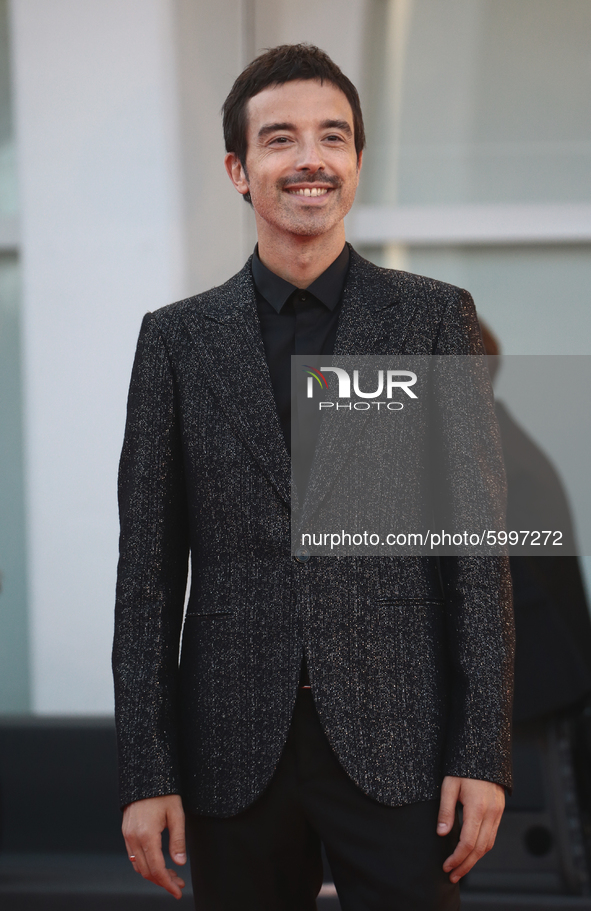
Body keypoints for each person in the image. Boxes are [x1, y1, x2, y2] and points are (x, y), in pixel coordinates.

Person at [113, 44, 514, 910]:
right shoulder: (175, 342)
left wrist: (480, 752)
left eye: (332, 138)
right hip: (229, 747)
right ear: (239, 168)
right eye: (281, 138)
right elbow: (145, 577)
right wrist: (146, 770)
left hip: (400, 739)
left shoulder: (430, 319)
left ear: (356, 164)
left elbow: (473, 559)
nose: (310, 160)